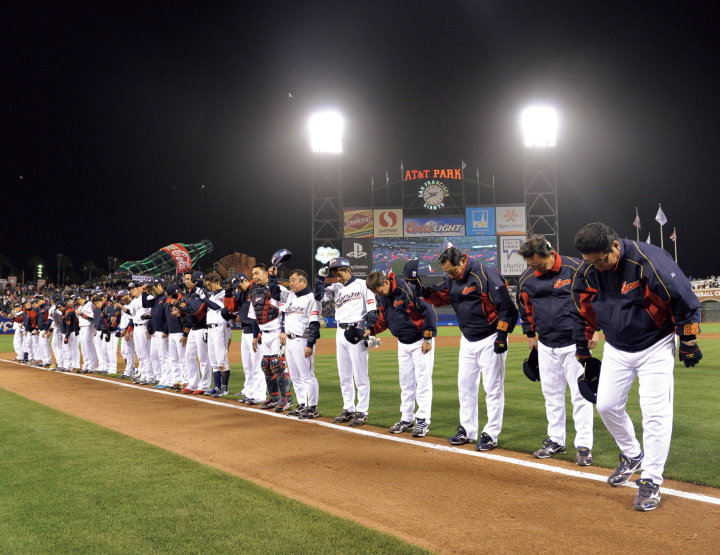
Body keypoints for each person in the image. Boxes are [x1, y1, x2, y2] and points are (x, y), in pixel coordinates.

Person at [571, 222, 702, 512]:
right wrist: (582, 348)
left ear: (615, 246)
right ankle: (632, 455)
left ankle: (651, 480)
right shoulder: (588, 270)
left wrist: (689, 340)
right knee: (605, 406)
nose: (597, 267)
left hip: (656, 344)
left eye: (601, 260)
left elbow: (683, 298)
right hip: (617, 345)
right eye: (590, 261)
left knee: (655, 413)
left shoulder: (648, 260)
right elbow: (583, 311)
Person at [421, 247, 518, 450]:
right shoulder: (451, 278)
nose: (450, 275)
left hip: (491, 337)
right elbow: (440, 298)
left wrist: (501, 336)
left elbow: (508, 309)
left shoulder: (485, 274)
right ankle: (467, 429)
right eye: (447, 271)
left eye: (452, 270)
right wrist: (424, 291)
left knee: (492, 389)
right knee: (465, 386)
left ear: (463, 260)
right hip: (467, 339)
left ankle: (491, 434)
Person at [517, 235, 595, 465]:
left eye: (539, 263)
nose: (535, 268)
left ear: (551, 254)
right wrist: (530, 334)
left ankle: (584, 446)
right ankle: (555, 440)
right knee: (551, 396)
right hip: (546, 344)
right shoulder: (527, 278)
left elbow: (592, 300)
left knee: (581, 395)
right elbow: (525, 307)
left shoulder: (575, 268)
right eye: (531, 265)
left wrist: (593, 329)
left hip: (574, 342)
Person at [367, 266, 437, 438]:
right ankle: (407, 418)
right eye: (375, 292)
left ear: (385, 282)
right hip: (403, 343)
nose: (378, 294)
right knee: (406, 383)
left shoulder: (407, 289)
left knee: (423, 382)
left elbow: (428, 310)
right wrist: (371, 330)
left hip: (420, 341)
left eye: (378, 289)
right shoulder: (382, 297)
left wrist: (428, 338)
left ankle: (423, 419)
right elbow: (384, 319)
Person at [314, 257, 378, 427]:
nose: (337, 274)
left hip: (357, 330)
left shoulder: (363, 285)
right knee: (344, 375)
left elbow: (372, 309)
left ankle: (362, 411)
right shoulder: (335, 288)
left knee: (360, 374)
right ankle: (348, 408)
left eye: (340, 270)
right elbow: (318, 296)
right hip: (340, 332)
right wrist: (320, 278)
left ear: (349, 270)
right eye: (335, 271)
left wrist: (369, 330)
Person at [247, 263, 291, 411]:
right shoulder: (254, 292)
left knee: (278, 365)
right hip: (263, 334)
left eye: (257, 273)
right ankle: (274, 397)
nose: (254, 277)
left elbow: (285, 310)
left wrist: (284, 330)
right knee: (266, 366)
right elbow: (253, 316)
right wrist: (254, 336)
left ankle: (286, 399)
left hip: (277, 332)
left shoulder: (278, 290)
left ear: (267, 274)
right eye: (253, 274)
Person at [280, 269, 322, 419]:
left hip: (303, 340)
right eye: (290, 280)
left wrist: (310, 344)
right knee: (295, 376)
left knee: (307, 376)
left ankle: (312, 407)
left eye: (294, 280)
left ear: (304, 282)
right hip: (290, 342)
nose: (291, 283)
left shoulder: (312, 299)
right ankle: (302, 404)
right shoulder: (291, 297)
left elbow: (314, 324)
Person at [229, 273, 266, 405]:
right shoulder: (241, 293)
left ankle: (259, 394)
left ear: (244, 280)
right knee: (247, 365)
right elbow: (233, 308)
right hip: (244, 331)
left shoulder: (255, 289)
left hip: (254, 331)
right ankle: (249, 391)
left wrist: (259, 332)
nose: (237, 288)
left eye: (238, 284)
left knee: (257, 365)